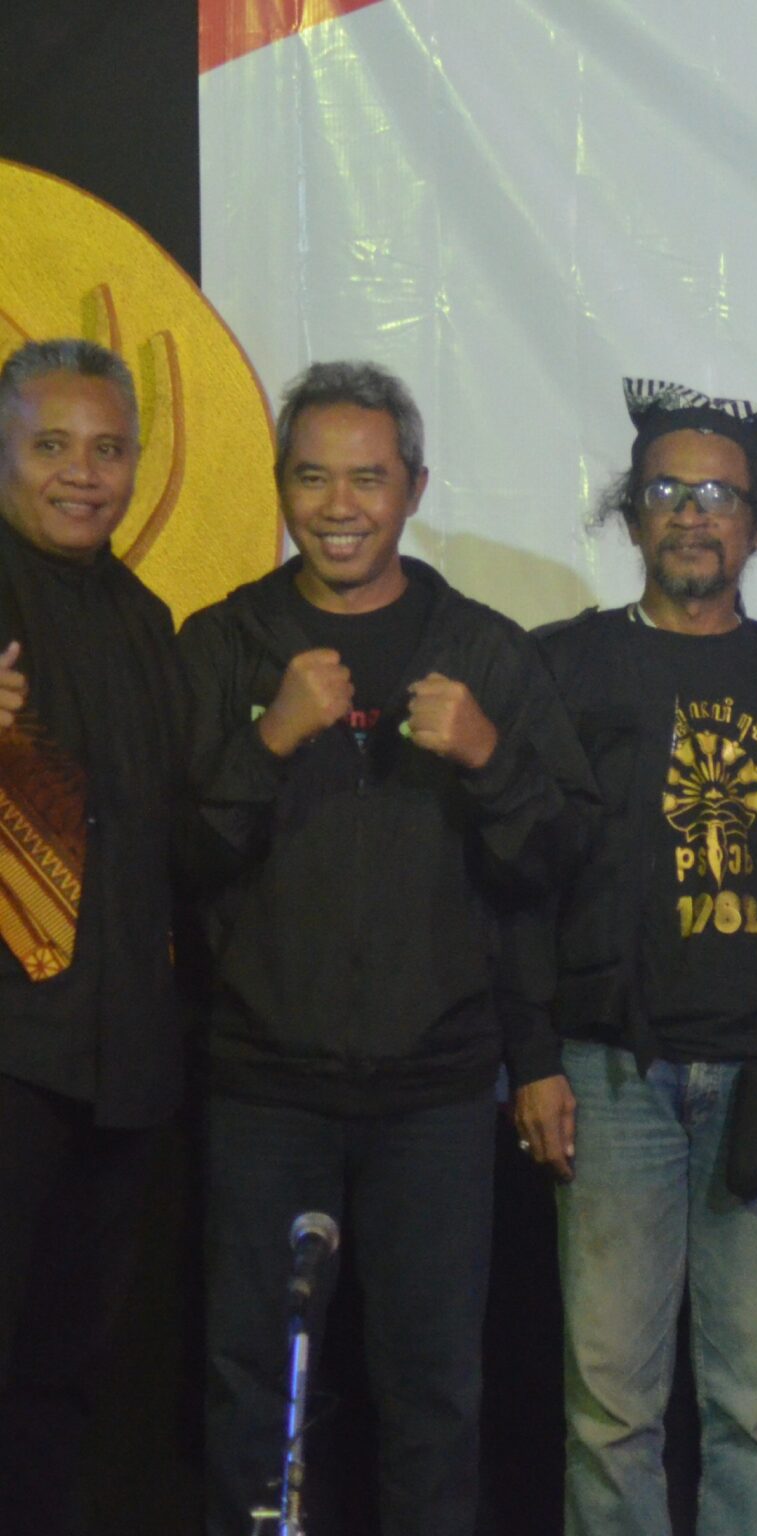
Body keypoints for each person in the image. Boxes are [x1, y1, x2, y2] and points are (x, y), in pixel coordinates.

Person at [181, 361, 597, 1536]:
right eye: (313, 477)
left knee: (434, 1395)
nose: (340, 506)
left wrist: (489, 757)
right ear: (280, 487)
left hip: (437, 1096)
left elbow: (556, 861)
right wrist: (267, 742)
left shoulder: (484, 651)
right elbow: (177, 863)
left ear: (414, 488)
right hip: (265, 1087)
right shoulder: (224, 644)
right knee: (253, 1387)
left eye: (367, 478)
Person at [521, 380, 757, 1536]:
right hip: (611, 1072)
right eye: (667, 490)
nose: (692, 515)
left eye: (719, 496)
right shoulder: (561, 668)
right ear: (631, 513)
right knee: (610, 1407)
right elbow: (518, 882)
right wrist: (532, 1057)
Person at [0, 339, 187, 1534]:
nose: (83, 474)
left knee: (66, 1373)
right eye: (52, 446)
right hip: (10, 1053)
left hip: (120, 1062)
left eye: (109, 449)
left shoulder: (146, 620)